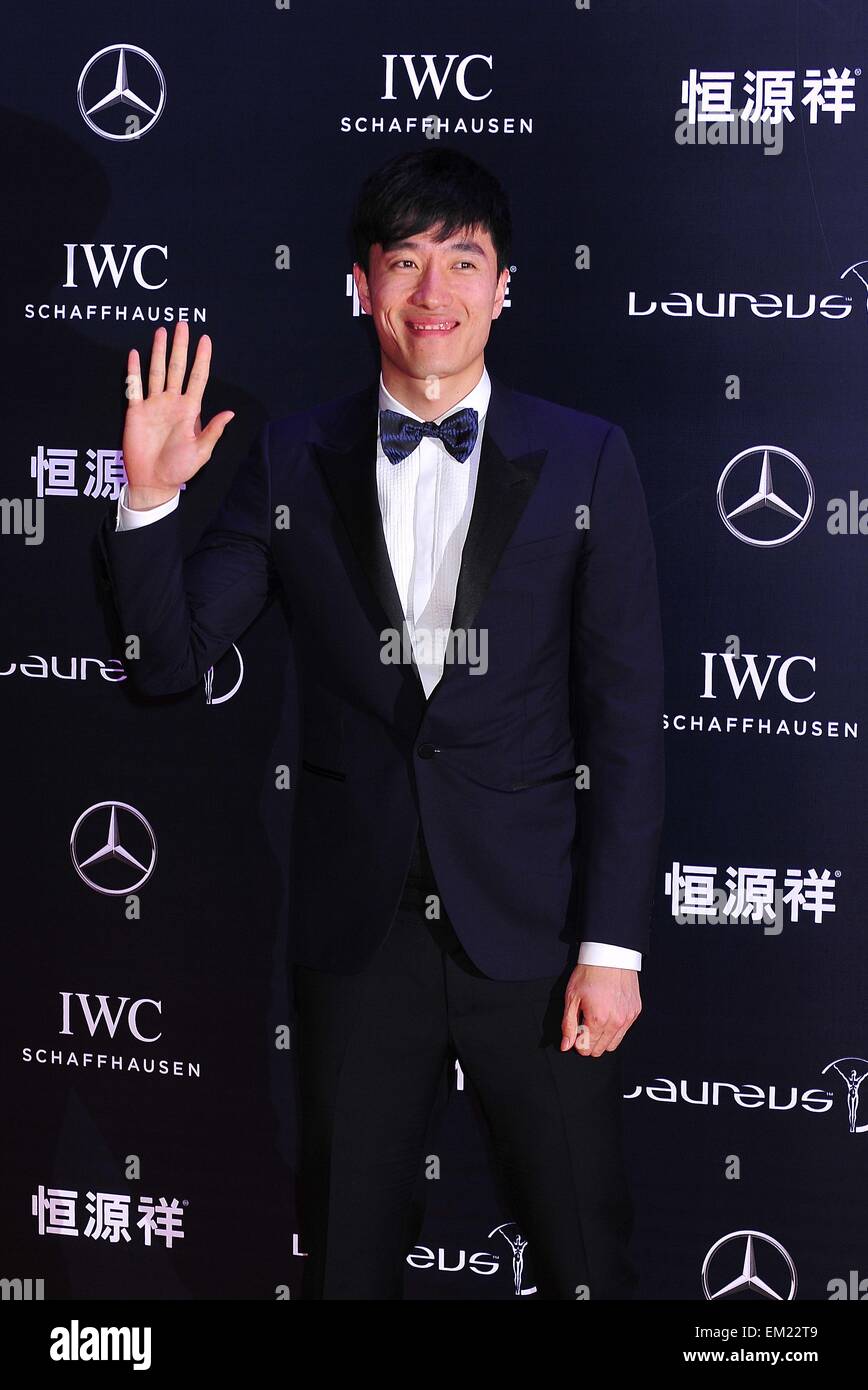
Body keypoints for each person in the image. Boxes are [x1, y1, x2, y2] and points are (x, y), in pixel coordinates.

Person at [97, 146, 665, 1300]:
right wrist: (150, 503)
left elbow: (628, 722)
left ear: (505, 285)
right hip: (356, 943)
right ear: (360, 286)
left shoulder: (586, 457)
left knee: (584, 1254)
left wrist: (610, 948)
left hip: (539, 937)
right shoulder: (289, 456)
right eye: (403, 263)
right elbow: (167, 664)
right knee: (347, 1261)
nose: (432, 294)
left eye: (463, 262)